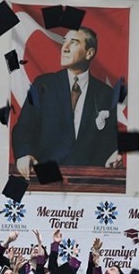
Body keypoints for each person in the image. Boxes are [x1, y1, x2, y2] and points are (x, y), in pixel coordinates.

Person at [11, 26, 118, 175]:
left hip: (89, 179)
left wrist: (113, 155)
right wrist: (24, 154)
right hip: (47, 176)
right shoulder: (42, 85)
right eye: (64, 41)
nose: (65, 48)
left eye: (73, 42)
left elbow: (111, 139)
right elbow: (24, 128)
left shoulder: (106, 94)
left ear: (89, 53)